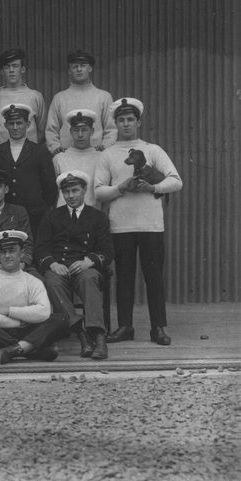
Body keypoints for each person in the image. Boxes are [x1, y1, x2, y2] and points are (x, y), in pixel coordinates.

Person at [94, 97, 182, 345]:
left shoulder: (153, 150)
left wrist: (151, 187)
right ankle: (125, 327)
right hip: (120, 226)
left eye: (130, 119)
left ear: (139, 121)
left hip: (151, 225)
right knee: (123, 277)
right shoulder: (109, 154)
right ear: (115, 123)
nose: (125, 124)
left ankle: (158, 328)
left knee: (154, 276)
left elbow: (176, 181)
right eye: (121, 120)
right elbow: (98, 190)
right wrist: (120, 187)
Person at [35, 171, 114, 359]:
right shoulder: (52, 216)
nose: (70, 196)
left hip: (84, 268)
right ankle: (81, 334)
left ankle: (98, 336)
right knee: (51, 281)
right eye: (66, 192)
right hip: (59, 267)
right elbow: (41, 248)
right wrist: (52, 264)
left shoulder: (97, 217)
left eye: (75, 190)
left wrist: (89, 261)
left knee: (90, 278)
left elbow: (108, 251)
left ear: (85, 190)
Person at [0, 231, 68, 364]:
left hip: (28, 331)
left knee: (61, 319)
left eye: (12, 251)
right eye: (3, 252)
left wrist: (10, 310)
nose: (7, 256)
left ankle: (12, 351)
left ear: (22, 253)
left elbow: (44, 312)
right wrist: (18, 322)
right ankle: (28, 349)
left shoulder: (32, 281)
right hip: (0, 333)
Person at [0, 103, 57, 236]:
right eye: (11, 123)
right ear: (5, 125)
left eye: (19, 123)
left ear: (28, 124)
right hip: (4, 215)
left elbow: (50, 186)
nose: (15, 127)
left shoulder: (40, 151)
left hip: (34, 215)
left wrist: (41, 208)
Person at [45, 50, 116, 155]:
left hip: (96, 157)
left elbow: (111, 129)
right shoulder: (59, 98)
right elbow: (51, 130)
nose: (79, 69)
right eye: (74, 66)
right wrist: (56, 149)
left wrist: (104, 148)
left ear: (90, 68)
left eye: (83, 65)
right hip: (67, 157)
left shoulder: (103, 97)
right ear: (69, 70)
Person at [0, 48, 46, 150]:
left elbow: (42, 130)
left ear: (23, 69)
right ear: (2, 71)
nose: (11, 70)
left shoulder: (35, 96)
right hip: (4, 156)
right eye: (7, 67)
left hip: (29, 154)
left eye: (15, 66)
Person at [52, 109, 102, 208]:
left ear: (92, 131)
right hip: (64, 216)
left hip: (93, 214)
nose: (80, 135)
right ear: (70, 131)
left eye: (84, 130)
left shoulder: (101, 157)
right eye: (76, 130)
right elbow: (54, 193)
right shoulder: (59, 158)